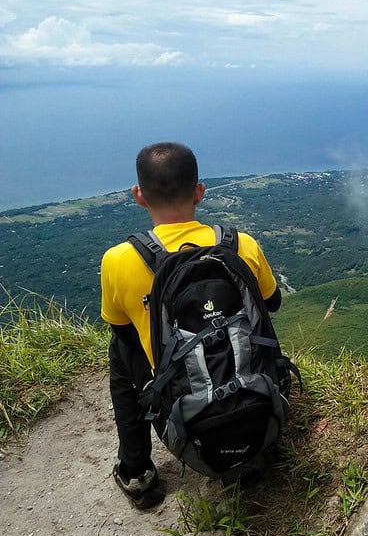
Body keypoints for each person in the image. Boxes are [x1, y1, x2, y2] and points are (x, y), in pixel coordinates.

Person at [100, 142, 281, 509]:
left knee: (120, 352)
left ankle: (138, 474)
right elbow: (272, 303)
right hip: (257, 400)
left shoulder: (118, 260)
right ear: (200, 192)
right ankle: (252, 457)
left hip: (184, 416)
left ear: (139, 196)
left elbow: (124, 334)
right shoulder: (240, 244)